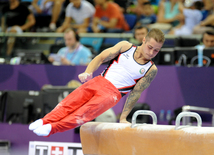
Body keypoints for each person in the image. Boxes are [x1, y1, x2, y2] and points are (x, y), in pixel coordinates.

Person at [29, 28, 165, 137]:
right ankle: (44, 120)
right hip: (99, 80)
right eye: (150, 47)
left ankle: (52, 128)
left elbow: (135, 93)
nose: (152, 52)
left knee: (82, 114)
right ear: (144, 40)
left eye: (156, 50)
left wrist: (123, 117)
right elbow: (100, 58)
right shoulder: (126, 47)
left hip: (112, 94)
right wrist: (88, 72)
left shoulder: (151, 69)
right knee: (67, 103)